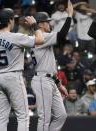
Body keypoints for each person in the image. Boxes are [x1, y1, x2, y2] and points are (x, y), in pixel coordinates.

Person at [0, 8, 44, 131]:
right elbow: (40, 40)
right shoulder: (15, 37)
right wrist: (35, 26)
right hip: (13, 77)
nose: (14, 22)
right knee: (23, 116)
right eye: (13, 19)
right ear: (9, 20)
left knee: (1, 118)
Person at [31, 1, 73, 131]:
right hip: (42, 80)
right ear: (40, 25)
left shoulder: (43, 37)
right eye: (47, 22)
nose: (49, 24)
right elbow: (61, 37)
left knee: (61, 115)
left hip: (50, 80)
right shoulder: (41, 36)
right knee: (45, 117)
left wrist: (59, 85)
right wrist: (69, 15)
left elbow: (50, 68)